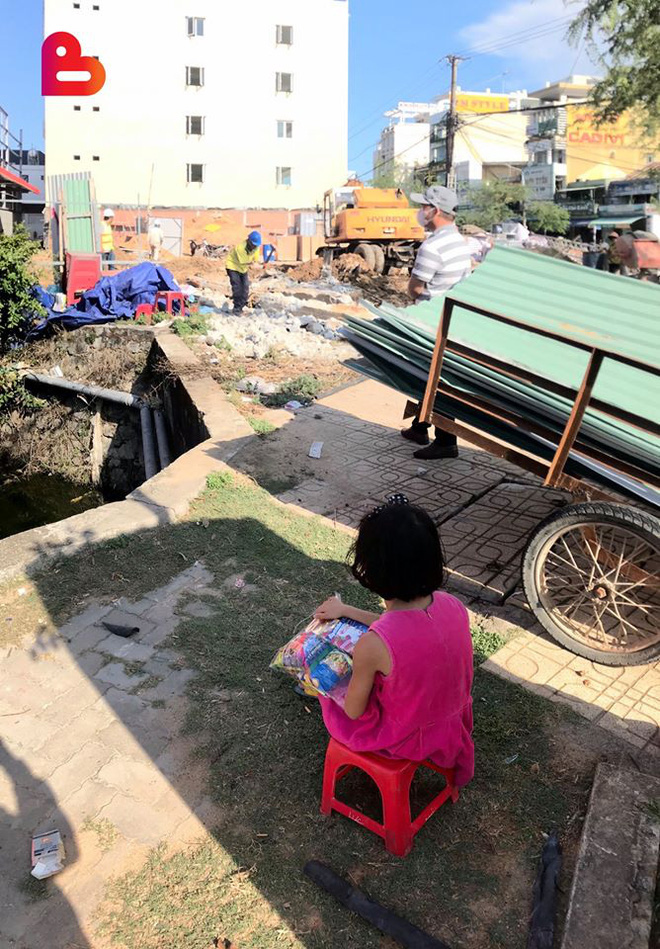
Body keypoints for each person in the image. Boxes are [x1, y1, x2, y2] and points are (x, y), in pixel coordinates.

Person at [314, 494, 474, 787]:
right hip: (449, 723)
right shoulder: (452, 605)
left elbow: (353, 710)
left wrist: (327, 679)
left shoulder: (373, 646)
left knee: (323, 686)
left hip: (406, 738)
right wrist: (345, 610)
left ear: (372, 570)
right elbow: (402, 630)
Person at [403, 185, 472, 461]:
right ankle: (419, 426)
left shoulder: (432, 247)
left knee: (435, 379)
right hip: (452, 319)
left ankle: (446, 441)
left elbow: (415, 288)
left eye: (424, 207)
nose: (421, 212)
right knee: (428, 375)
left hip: (434, 321)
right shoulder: (459, 241)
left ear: (436, 211)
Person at [225, 230, 262, 314]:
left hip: (243, 268)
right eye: (253, 245)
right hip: (233, 266)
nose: (254, 247)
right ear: (249, 241)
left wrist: (258, 263)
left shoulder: (256, 247)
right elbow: (245, 261)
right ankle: (236, 309)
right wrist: (254, 265)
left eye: (256, 245)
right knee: (237, 287)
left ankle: (240, 307)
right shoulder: (240, 248)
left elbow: (255, 259)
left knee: (245, 289)